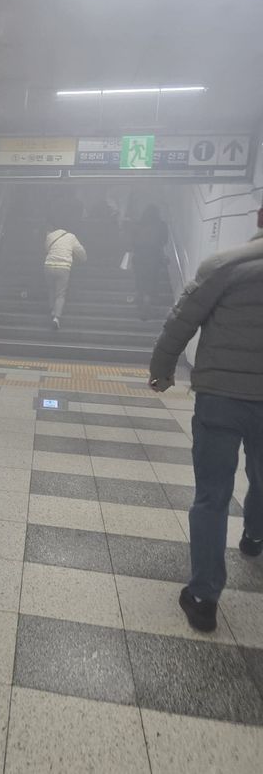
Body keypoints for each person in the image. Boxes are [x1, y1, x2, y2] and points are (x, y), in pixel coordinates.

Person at [149, 206, 263, 634]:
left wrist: (162, 370)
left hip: (220, 397)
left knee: (212, 496)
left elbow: (182, 319)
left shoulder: (224, 265)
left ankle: (203, 597)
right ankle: (255, 536)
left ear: (259, 219)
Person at [44, 223, 87, 330]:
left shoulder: (50, 236)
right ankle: (56, 318)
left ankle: (52, 309)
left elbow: (46, 249)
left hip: (48, 266)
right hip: (63, 267)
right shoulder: (71, 237)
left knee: (51, 289)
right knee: (60, 294)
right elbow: (80, 251)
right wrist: (83, 259)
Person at [131, 205, 169, 319]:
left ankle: (140, 301)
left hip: (138, 257)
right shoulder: (161, 225)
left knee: (140, 281)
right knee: (151, 281)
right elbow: (164, 241)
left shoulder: (138, 224)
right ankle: (147, 304)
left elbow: (132, 241)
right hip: (153, 257)